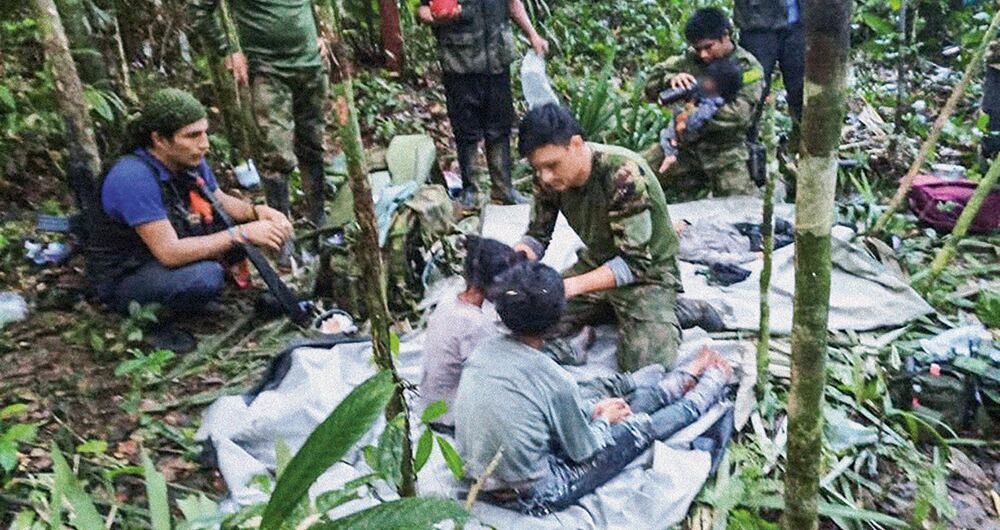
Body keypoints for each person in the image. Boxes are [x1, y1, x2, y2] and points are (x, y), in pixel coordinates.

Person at [453, 261, 731, 516]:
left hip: (484, 479)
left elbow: (534, 410)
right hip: (534, 492)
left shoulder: (482, 353)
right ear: (556, 319)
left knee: (615, 405)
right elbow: (583, 452)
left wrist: (595, 412)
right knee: (637, 428)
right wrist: (601, 421)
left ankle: (684, 377)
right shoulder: (553, 378)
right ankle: (709, 383)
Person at [513, 103, 694, 371]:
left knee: (647, 367)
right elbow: (538, 233)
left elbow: (634, 263)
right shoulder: (548, 177)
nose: (545, 176)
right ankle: (610, 308)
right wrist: (517, 258)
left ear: (575, 144)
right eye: (538, 168)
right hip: (597, 261)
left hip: (648, 272)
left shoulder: (622, 174)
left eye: (551, 165)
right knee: (526, 318)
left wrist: (570, 287)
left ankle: (677, 311)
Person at [87, 88, 293, 316]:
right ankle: (153, 320)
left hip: (161, 252)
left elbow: (219, 200)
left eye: (205, 133)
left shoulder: (189, 159)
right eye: (193, 136)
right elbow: (170, 252)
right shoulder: (132, 177)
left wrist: (256, 212)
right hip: (128, 274)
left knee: (227, 228)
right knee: (205, 276)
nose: (204, 144)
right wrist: (242, 234)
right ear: (159, 140)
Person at [189, 0, 329, 264]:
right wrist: (228, 50)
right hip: (269, 70)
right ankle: (280, 234)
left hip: (310, 66)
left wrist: (324, 34)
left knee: (313, 145)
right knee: (276, 155)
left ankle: (319, 222)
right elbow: (198, 11)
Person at [416, 0, 548, 208]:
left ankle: (503, 189)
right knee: (465, 130)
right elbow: (423, 10)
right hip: (459, 63)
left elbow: (513, 3)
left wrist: (532, 34)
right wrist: (438, 16)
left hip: (497, 61)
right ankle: (471, 190)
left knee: (500, 128)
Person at [643, 7, 765, 197]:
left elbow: (738, 116)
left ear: (726, 36)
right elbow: (650, 86)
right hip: (684, 147)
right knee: (633, 175)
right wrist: (671, 79)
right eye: (698, 49)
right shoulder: (690, 59)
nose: (703, 55)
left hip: (725, 152)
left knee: (742, 210)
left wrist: (691, 113)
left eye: (709, 47)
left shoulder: (747, 67)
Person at [418, 236, 516, 432]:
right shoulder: (475, 325)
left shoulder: (449, 300)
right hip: (448, 417)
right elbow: (494, 376)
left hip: (430, 404)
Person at [658, 58, 744, 174]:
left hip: (691, 134)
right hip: (683, 127)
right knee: (666, 133)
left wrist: (685, 118)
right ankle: (670, 152)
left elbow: (697, 120)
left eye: (710, 80)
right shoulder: (705, 91)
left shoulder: (713, 103)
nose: (705, 81)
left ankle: (670, 155)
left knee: (667, 136)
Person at [733, 0, 804, 128]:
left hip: (799, 21)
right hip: (757, 24)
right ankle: (746, 141)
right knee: (753, 86)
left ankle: (804, 140)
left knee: (801, 89)